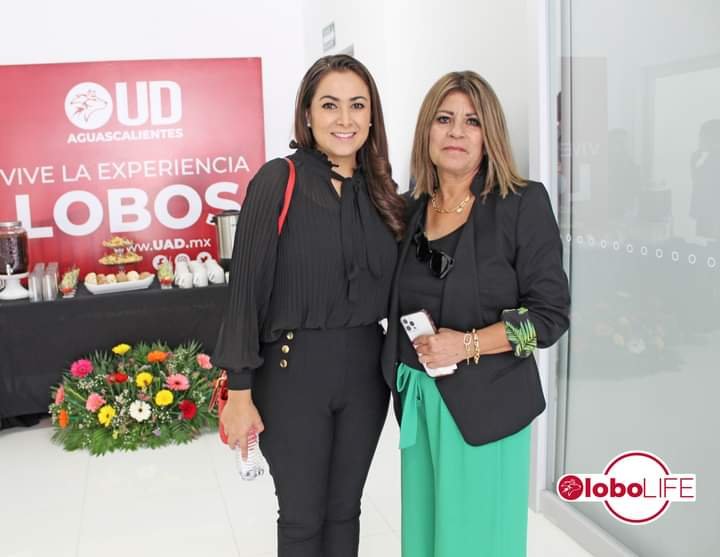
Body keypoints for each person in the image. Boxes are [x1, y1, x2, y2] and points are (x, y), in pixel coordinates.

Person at [211, 55, 404, 557]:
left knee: (345, 511)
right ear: (308, 114)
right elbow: (245, 291)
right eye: (330, 105)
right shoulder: (279, 179)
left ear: (372, 116)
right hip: (292, 373)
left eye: (357, 105)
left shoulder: (382, 192)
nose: (345, 119)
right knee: (301, 518)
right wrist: (239, 392)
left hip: (366, 374)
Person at [381, 71, 571, 556]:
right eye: (444, 119)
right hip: (419, 402)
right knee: (425, 541)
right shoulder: (408, 209)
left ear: (490, 135)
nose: (456, 132)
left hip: (489, 406)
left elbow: (549, 318)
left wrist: (467, 344)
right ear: (427, 130)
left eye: (472, 121)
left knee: (476, 544)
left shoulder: (521, 204)